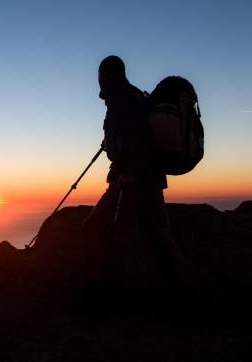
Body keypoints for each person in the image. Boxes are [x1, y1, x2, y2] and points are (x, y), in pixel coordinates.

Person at [81, 55, 188, 306]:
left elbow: (140, 137)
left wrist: (132, 173)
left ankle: (95, 295)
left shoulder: (122, 98)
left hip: (131, 182)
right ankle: (184, 293)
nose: (98, 83)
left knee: (92, 229)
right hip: (152, 180)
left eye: (99, 77)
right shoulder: (136, 95)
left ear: (105, 75)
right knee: (161, 236)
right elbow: (135, 134)